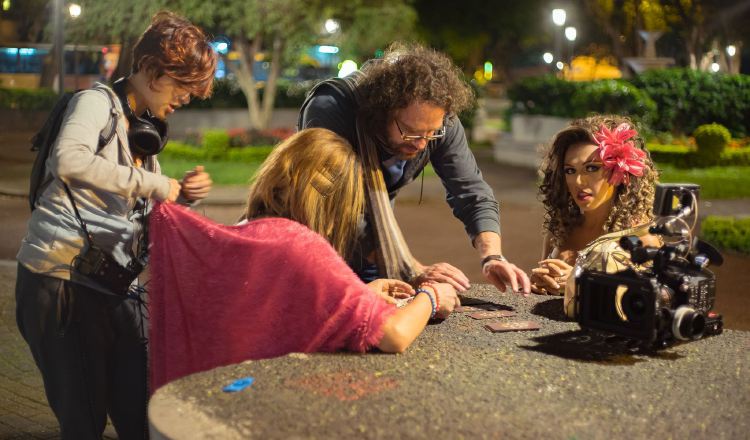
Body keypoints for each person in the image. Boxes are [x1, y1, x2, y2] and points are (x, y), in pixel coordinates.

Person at [15, 11, 216, 439]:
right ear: (149, 68)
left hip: (112, 282)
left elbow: (132, 197)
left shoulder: (142, 130)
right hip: (60, 281)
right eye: (182, 84)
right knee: (84, 419)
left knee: (140, 408)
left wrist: (180, 192)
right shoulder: (95, 103)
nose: (185, 98)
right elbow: (67, 159)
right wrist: (156, 184)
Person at [148, 128, 460, 391]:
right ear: (331, 200)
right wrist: (431, 296)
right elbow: (392, 334)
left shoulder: (247, 230)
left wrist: (361, 295)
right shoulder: (299, 243)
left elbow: (276, 314)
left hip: (211, 395)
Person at [298, 42, 530, 295]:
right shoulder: (332, 108)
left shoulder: (439, 120)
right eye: (410, 132)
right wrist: (412, 269)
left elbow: (471, 191)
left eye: (431, 133)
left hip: (376, 242)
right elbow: (331, 208)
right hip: (313, 242)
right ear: (383, 111)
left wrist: (492, 256)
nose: (421, 144)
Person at [529, 115, 660, 316]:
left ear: (621, 172)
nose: (579, 181)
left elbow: (648, 306)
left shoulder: (642, 237)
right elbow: (546, 293)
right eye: (570, 170)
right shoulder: (559, 229)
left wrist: (579, 283)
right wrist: (540, 284)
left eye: (592, 168)